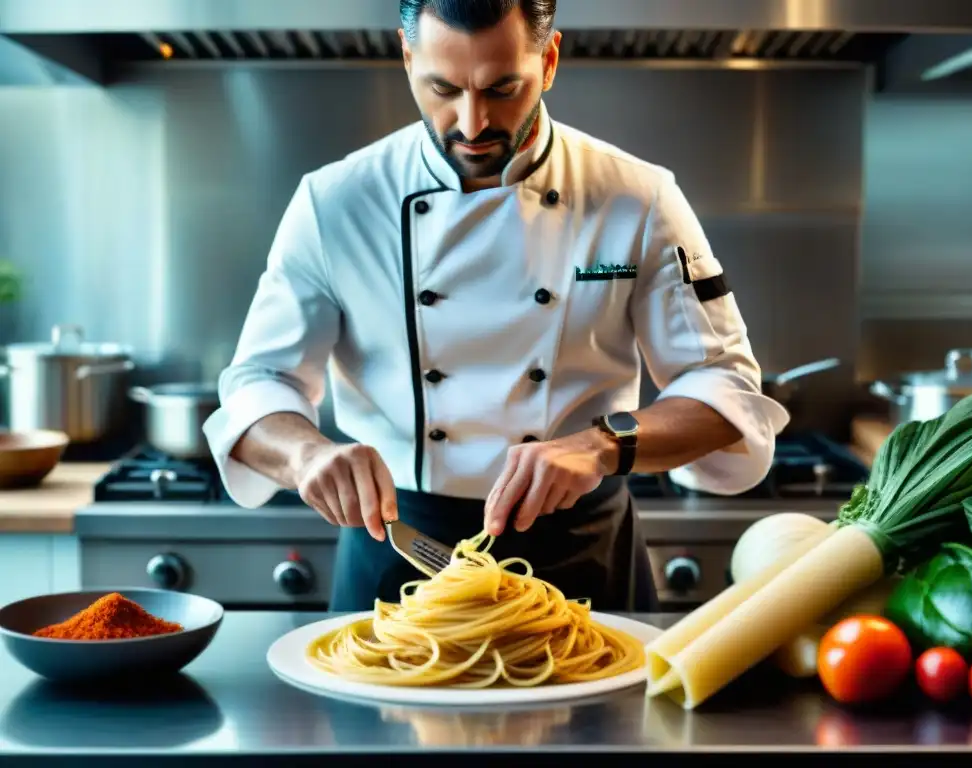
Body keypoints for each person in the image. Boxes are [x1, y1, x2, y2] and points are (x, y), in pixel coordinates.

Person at [202, 0, 790, 613]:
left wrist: (602, 446)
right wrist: (306, 455)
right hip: (395, 552)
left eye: (503, 89)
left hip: (580, 550)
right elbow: (256, 384)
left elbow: (727, 390)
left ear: (550, 60)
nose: (473, 122)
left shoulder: (636, 198)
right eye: (442, 88)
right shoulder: (336, 202)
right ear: (408, 59)